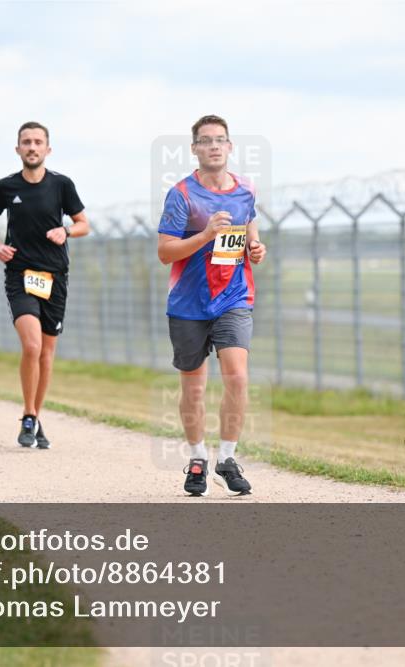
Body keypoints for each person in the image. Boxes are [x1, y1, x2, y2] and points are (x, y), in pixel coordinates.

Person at [157, 114, 267, 497]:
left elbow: (249, 228)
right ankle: (198, 458)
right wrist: (205, 235)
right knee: (195, 387)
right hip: (189, 302)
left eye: (220, 139)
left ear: (230, 146)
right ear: (195, 149)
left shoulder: (246, 191)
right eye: (206, 140)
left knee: (237, 376)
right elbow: (165, 252)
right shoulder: (181, 195)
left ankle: (229, 458)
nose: (214, 146)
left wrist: (256, 246)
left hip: (234, 296)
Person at [0, 121, 89, 449]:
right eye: (26, 142)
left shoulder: (61, 185)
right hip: (20, 275)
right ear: (18, 149)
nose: (32, 147)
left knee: (46, 353)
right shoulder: (7, 186)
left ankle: (35, 417)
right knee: (32, 346)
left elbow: (84, 223)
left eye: (38, 142)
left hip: (55, 276)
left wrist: (66, 231)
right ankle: (28, 415)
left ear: (47, 149)